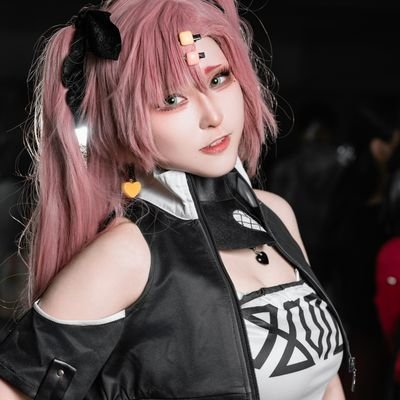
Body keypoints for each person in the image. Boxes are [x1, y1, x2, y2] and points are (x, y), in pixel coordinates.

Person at [0, 0, 354, 398]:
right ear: (119, 118)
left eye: (218, 78)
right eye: (171, 99)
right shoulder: (127, 254)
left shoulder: (275, 214)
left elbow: (327, 382)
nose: (213, 115)